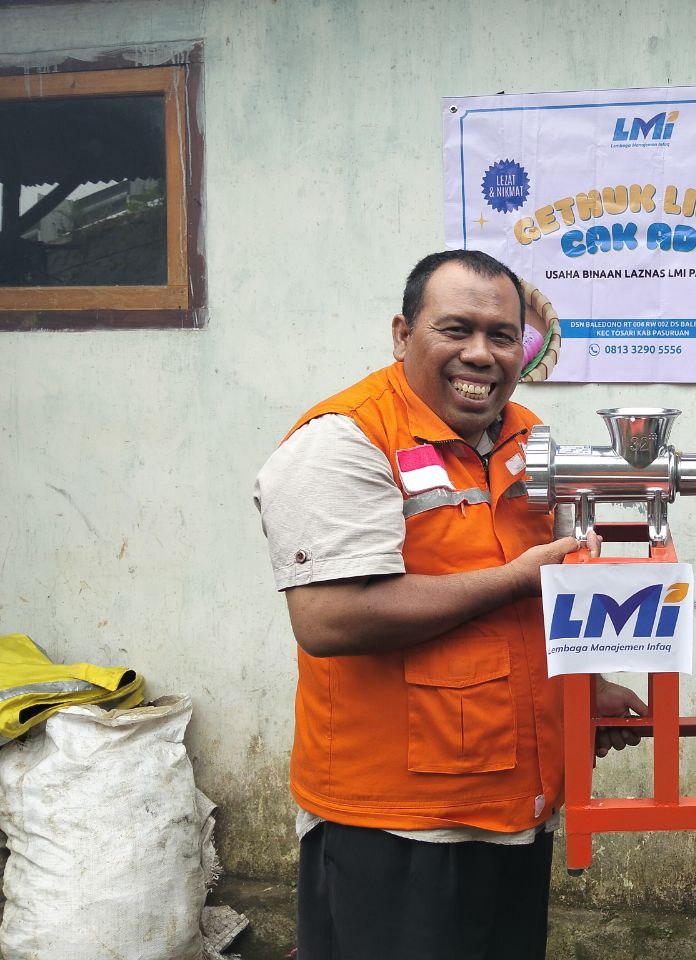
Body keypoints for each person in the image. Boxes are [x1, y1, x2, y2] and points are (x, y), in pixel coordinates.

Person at [254, 249, 645, 960]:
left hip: (510, 806)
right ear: (403, 335)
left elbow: (543, 600)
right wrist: (517, 578)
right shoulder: (345, 440)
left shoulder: (528, 437)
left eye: (502, 336)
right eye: (455, 329)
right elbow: (329, 618)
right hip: (397, 823)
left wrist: (589, 688)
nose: (481, 354)